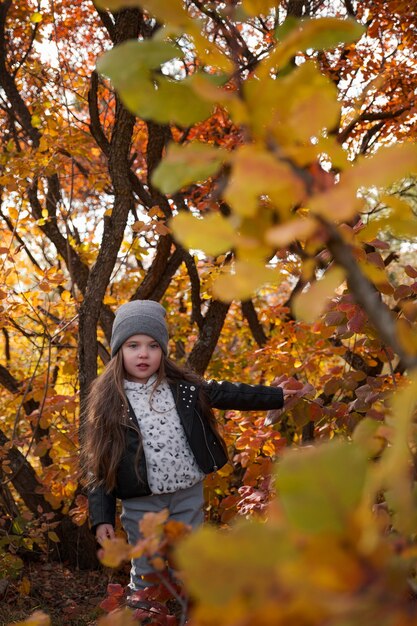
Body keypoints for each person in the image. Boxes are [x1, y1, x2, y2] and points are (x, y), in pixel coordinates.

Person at [83, 299, 296, 593]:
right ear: (119, 350)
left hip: (187, 493)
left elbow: (229, 393)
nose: (143, 353)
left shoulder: (182, 388)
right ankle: (146, 611)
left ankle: (192, 611)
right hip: (141, 501)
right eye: (133, 345)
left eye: (152, 345)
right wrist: (102, 516)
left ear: (163, 351)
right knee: (147, 565)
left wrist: (278, 396)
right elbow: (100, 464)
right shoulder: (110, 401)